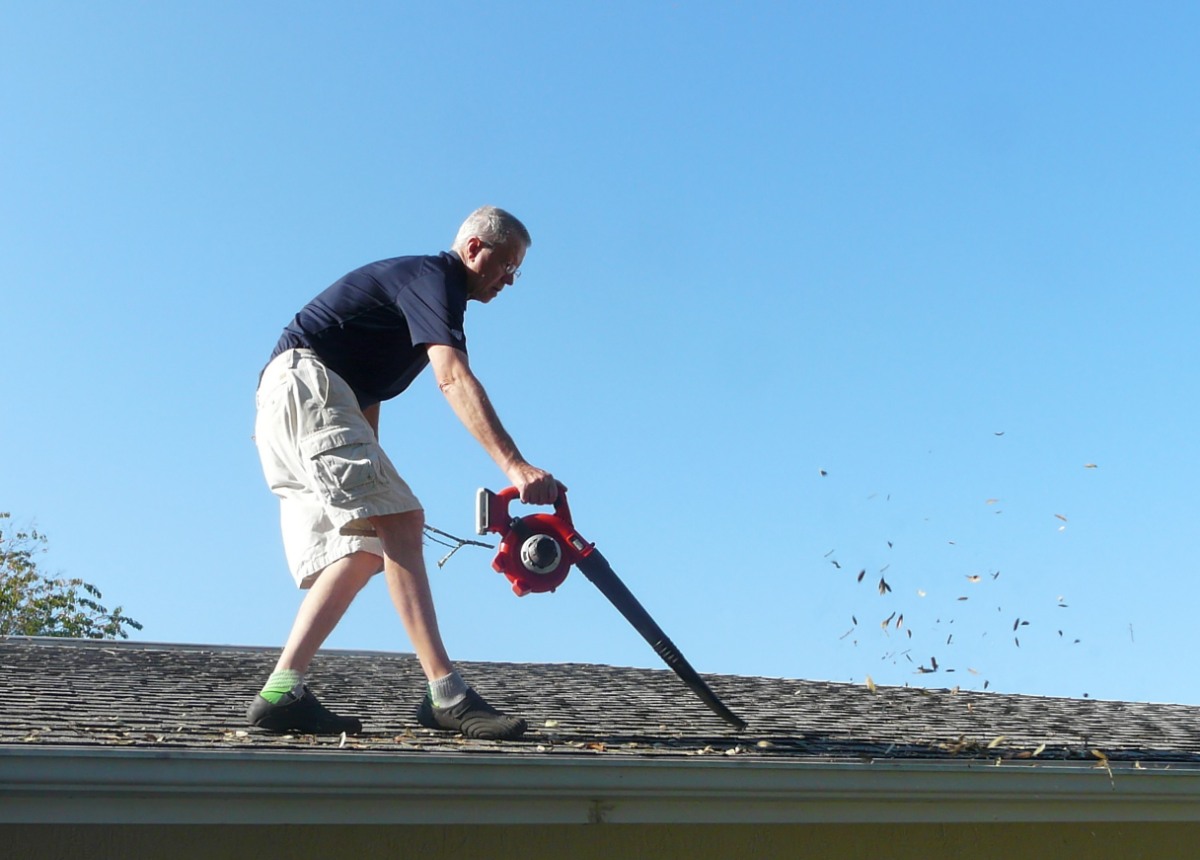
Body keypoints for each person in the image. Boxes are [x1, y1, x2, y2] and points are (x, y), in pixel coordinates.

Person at [248, 205, 557, 739]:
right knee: (401, 523)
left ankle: (280, 694)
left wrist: (379, 484)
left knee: (367, 549)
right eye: (507, 264)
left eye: (517, 271)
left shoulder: (419, 292)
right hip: (303, 385)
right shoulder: (434, 278)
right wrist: (516, 465)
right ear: (474, 248)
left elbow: (362, 391)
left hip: (286, 401)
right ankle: (448, 694)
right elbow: (452, 378)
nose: (510, 280)